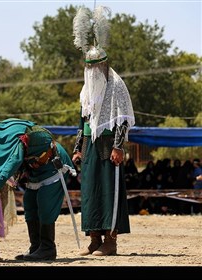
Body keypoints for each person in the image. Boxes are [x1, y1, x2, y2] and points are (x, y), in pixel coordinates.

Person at [0, 114, 76, 261]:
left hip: (52, 167)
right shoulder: (0, 136)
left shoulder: (13, 133)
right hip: (35, 172)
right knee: (30, 203)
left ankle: (48, 248)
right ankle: (36, 247)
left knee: (45, 205)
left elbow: (16, 158)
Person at [72, 6, 135, 256]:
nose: (92, 72)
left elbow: (122, 119)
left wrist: (119, 146)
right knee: (90, 193)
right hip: (90, 146)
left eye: (95, 67)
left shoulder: (116, 85)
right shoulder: (87, 89)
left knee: (109, 192)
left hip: (109, 146)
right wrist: (77, 149)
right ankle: (94, 239)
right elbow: (82, 121)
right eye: (88, 67)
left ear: (103, 64)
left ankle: (111, 242)